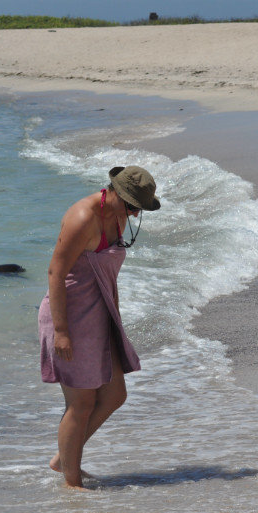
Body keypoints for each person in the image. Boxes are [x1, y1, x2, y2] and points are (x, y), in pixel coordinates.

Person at [38, 165, 161, 490]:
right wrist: (61, 331)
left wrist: (113, 320)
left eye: (140, 208)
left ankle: (64, 458)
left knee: (114, 394)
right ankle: (72, 484)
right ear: (116, 193)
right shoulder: (83, 217)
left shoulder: (119, 216)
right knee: (80, 404)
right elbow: (55, 272)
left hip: (98, 314)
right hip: (70, 315)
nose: (135, 214)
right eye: (133, 206)